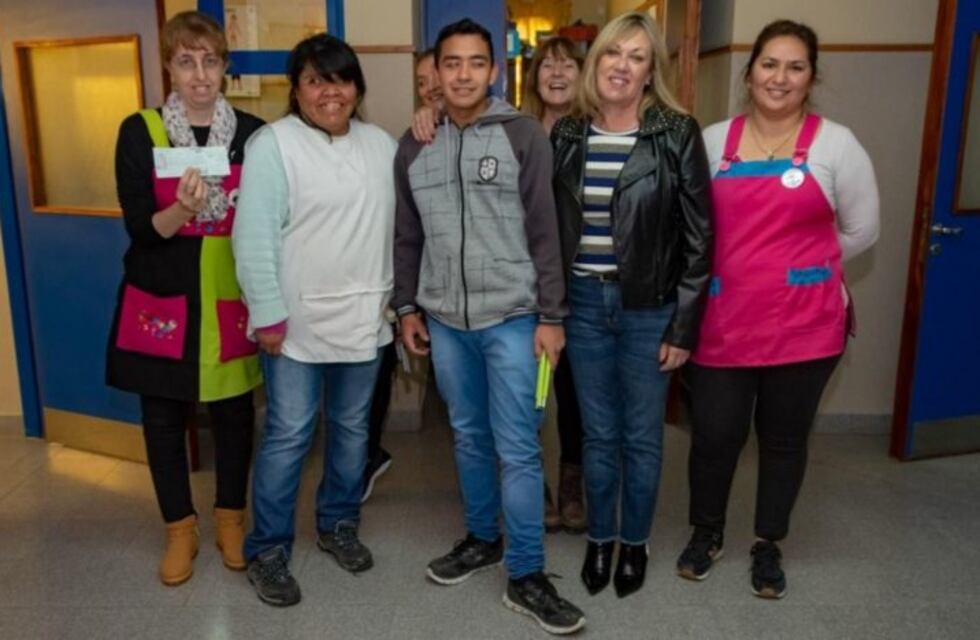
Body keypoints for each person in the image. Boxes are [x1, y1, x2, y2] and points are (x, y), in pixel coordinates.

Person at [393, 18, 585, 635]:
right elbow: (407, 236)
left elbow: (545, 231)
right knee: (469, 438)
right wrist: (407, 307)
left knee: (519, 448)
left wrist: (552, 316)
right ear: (436, 75)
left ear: (495, 70)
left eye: (477, 63)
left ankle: (527, 574)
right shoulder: (415, 144)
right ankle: (483, 538)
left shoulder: (524, 135)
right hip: (446, 322)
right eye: (453, 64)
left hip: (513, 319)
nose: (465, 74)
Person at [676, 19, 879, 599]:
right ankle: (706, 532)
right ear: (749, 71)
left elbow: (862, 230)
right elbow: (693, 226)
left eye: (795, 67)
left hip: (806, 327)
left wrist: (797, 269)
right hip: (722, 323)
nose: (780, 77)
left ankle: (768, 544)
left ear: (812, 77)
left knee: (785, 439)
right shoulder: (714, 141)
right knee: (714, 435)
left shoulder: (837, 144)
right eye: (769, 64)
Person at [551, 11, 713, 599]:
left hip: (650, 309)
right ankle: (600, 540)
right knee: (597, 436)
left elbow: (700, 239)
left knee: (642, 437)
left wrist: (684, 326)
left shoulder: (676, 131)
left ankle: (635, 542)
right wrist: (553, 311)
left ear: (651, 71)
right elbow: (549, 231)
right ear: (596, 64)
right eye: (613, 53)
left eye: (637, 56)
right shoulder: (569, 134)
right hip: (585, 306)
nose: (622, 65)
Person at [232, 33, 397, 607]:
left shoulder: (382, 145)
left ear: (357, 86)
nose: (331, 91)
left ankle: (338, 523)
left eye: (341, 78)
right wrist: (267, 315)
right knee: (289, 434)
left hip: (365, 319)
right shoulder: (273, 145)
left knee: (352, 431)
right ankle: (269, 548)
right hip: (294, 326)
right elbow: (251, 236)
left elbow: (397, 230)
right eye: (315, 80)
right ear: (296, 90)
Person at [106, 10, 263, 587]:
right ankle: (179, 529)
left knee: (234, 415)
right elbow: (140, 227)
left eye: (210, 61)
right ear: (168, 66)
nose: (199, 75)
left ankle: (230, 521)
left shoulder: (251, 132)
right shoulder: (140, 131)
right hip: (161, 298)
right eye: (186, 61)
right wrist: (183, 210)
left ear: (225, 67)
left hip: (229, 294)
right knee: (164, 417)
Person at [360, 47, 446, 504]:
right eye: (421, 80)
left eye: (439, 75)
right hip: (419, 287)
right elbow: (403, 227)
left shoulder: (498, 132)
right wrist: (404, 301)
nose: (430, 87)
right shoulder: (408, 143)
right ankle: (367, 456)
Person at [522, 36, 587, 534]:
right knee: (527, 393)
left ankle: (572, 482)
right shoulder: (516, 132)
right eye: (548, 64)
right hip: (524, 285)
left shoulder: (596, 131)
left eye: (568, 64)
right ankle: (534, 483)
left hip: (582, 285)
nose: (558, 72)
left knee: (574, 393)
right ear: (534, 75)